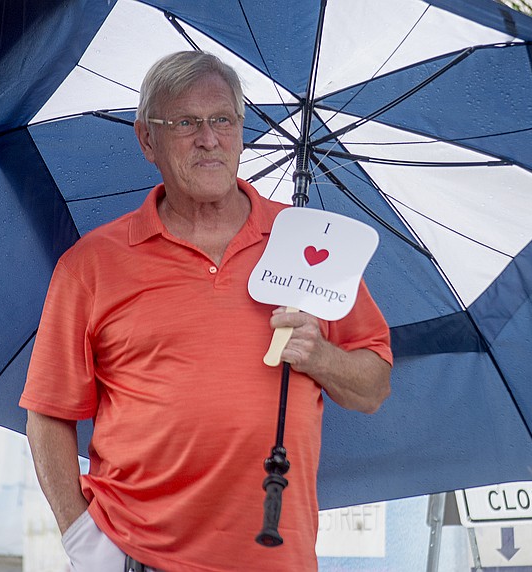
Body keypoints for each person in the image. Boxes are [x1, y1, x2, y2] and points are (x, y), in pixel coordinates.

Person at [19, 51, 392, 572]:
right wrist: (82, 538)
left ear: (241, 130)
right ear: (147, 140)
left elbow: (373, 387)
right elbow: (48, 412)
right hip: (138, 556)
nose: (209, 138)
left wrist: (322, 356)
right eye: (186, 123)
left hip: (276, 560)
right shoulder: (93, 265)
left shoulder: (311, 244)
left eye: (222, 119)